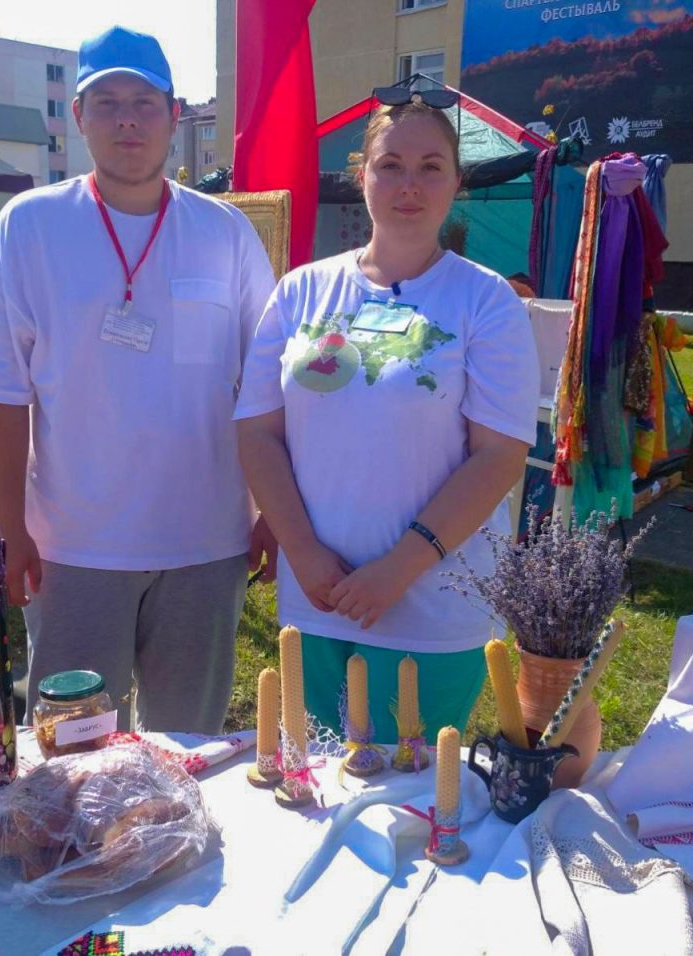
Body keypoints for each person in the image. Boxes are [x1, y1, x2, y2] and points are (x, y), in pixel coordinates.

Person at [0, 26, 277, 733]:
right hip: (74, 549)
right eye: (106, 102)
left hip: (205, 546)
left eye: (143, 102)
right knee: (73, 755)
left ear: (174, 113)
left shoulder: (226, 235)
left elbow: (268, 389)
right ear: (78, 117)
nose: (126, 119)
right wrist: (8, 527)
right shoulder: (28, 229)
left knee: (186, 755)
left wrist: (273, 510)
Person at [235, 97, 540, 743]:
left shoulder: (485, 301)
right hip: (318, 600)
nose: (409, 184)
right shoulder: (300, 291)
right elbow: (258, 431)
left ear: (457, 182)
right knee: (315, 792)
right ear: (362, 176)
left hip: (433, 607)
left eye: (431, 167)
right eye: (390, 164)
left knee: (413, 810)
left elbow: (498, 457)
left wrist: (399, 568)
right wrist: (305, 554)